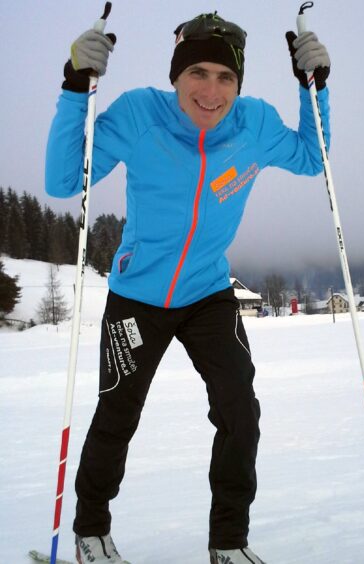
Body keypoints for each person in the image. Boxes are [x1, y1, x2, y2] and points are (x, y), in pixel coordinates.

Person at [45, 11, 331, 564]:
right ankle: (90, 533)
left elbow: (311, 155)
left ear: (239, 85)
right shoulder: (139, 114)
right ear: (175, 75)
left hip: (208, 294)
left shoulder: (255, 124)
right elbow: (63, 180)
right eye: (197, 72)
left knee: (240, 412)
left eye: (226, 77)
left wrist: (312, 86)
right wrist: (76, 87)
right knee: (117, 416)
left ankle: (229, 542)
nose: (211, 91)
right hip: (137, 296)